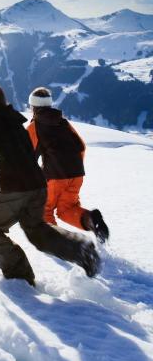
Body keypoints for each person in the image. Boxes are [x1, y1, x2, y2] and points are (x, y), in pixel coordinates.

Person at [0, 83, 100, 286]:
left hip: (16, 189)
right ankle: (80, 249)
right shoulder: (19, 124)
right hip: (39, 186)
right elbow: (31, 154)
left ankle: (20, 277)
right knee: (37, 229)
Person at [27, 86, 109, 243]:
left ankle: (57, 243)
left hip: (55, 177)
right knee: (67, 209)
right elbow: (81, 147)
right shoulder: (64, 123)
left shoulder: (35, 126)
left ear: (33, 107)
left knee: (45, 211)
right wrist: (73, 168)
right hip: (77, 174)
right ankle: (91, 220)